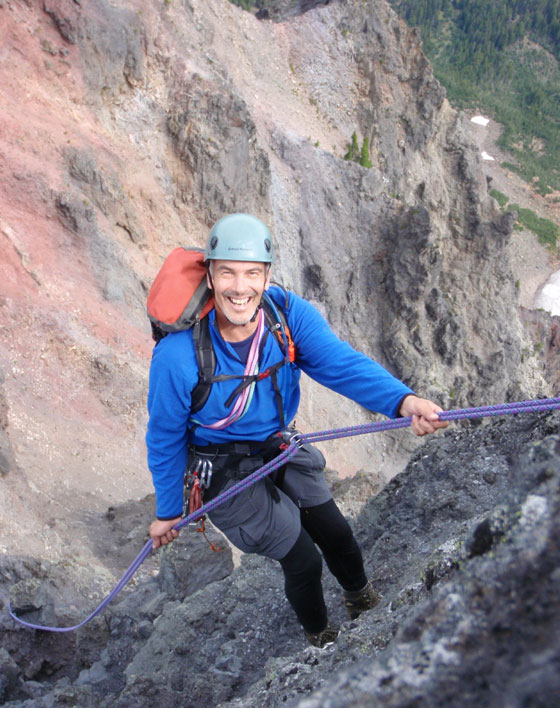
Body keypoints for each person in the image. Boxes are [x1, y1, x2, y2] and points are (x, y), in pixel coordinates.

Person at [146, 213, 447, 646]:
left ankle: (362, 600)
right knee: (303, 559)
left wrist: (404, 401)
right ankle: (321, 641)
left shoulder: (286, 316)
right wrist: (168, 510)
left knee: (336, 532)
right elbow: (165, 436)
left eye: (252, 273)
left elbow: (340, 364)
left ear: (267, 277)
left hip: (277, 445)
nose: (239, 287)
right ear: (209, 277)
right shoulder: (178, 356)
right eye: (227, 272)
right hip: (221, 466)